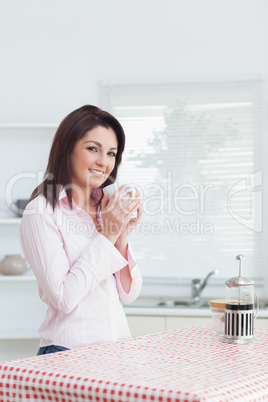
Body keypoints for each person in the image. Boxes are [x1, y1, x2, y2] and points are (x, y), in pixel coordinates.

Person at [19, 105, 143, 355]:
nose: (103, 162)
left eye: (111, 153)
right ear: (67, 149)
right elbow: (64, 299)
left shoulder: (105, 207)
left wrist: (121, 235)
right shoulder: (41, 211)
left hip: (117, 348)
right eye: (93, 149)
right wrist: (108, 233)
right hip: (67, 352)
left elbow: (128, 294)